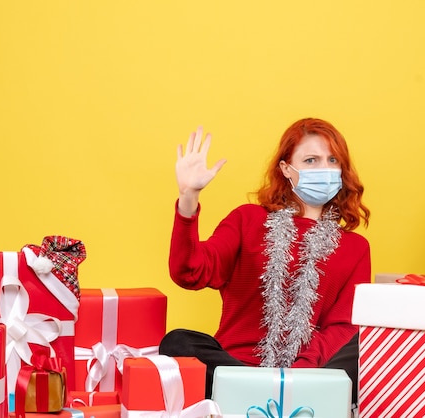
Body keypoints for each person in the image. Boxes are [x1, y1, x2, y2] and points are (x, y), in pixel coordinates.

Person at [159, 118, 371, 403]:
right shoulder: (248, 220)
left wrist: (298, 374)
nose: (324, 168)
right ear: (286, 169)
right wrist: (189, 198)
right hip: (237, 368)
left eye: (332, 160)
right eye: (311, 160)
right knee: (178, 342)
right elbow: (190, 272)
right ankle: (269, 396)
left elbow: (342, 327)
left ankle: (273, 397)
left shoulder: (355, 247)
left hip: (310, 374)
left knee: (365, 347)